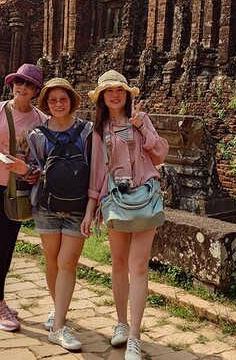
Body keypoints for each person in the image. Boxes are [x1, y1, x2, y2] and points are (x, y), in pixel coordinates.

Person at [80, 70, 168, 360]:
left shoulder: (140, 120)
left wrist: (143, 128)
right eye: (109, 91)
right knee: (118, 263)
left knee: (139, 266)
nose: (115, 95)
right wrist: (90, 209)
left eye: (120, 90)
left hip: (144, 196)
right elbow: (95, 171)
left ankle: (134, 336)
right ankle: (120, 322)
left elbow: (160, 154)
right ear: (102, 98)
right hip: (115, 199)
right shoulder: (99, 128)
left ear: (127, 95)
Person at [0, 63, 47, 331]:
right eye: (19, 82)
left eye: (28, 85)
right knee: (0, 244)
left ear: (36, 91)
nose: (22, 88)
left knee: (10, 243)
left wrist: (30, 169)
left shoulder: (40, 120)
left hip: (21, 187)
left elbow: (41, 158)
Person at [26, 78, 93, 351]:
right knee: (52, 260)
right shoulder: (37, 135)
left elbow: (96, 168)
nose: (58, 104)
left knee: (68, 263)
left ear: (72, 101)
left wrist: (93, 206)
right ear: (46, 104)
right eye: (52, 101)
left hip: (78, 207)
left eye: (63, 99)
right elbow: (36, 166)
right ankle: (59, 311)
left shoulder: (88, 131)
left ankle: (58, 327)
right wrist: (30, 172)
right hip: (47, 206)